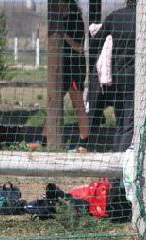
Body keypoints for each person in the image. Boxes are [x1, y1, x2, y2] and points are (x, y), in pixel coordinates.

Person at [49, 0, 91, 152]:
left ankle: (84, 142)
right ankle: (43, 140)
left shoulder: (75, 20)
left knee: (77, 104)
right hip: (60, 68)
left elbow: (79, 48)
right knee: (53, 102)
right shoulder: (57, 20)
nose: (58, 5)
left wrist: (63, 34)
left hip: (74, 67)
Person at [96, 0, 137, 152]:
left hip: (117, 76)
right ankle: (121, 163)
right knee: (129, 122)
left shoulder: (115, 16)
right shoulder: (143, 18)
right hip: (135, 77)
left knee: (120, 121)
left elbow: (98, 38)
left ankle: (115, 158)